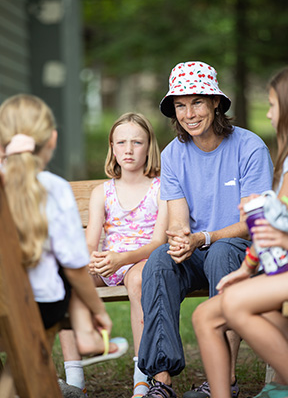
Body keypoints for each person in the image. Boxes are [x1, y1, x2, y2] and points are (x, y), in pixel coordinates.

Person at [137, 61, 274, 398]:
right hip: (199, 252)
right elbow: (179, 220)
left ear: (216, 102)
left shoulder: (249, 146)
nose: (189, 113)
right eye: (180, 105)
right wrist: (183, 239)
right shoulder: (172, 156)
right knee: (158, 261)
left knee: (222, 253)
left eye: (197, 101)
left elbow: (254, 222)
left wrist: (206, 237)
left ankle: (223, 381)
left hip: (243, 253)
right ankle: (161, 382)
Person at [0, 94, 128, 395]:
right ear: (52, 139)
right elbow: (75, 267)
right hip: (38, 308)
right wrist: (100, 313)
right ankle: (87, 337)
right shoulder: (53, 188)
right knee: (61, 270)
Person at [190, 62, 288, 398]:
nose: (269, 114)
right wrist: (248, 266)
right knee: (204, 316)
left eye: (272, 104)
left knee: (236, 303)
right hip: (284, 268)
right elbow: (279, 223)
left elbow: (278, 229)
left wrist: (275, 231)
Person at [59, 112, 168, 398]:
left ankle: (142, 378)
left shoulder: (161, 187)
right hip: (109, 262)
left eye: (137, 142)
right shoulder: (102, 192)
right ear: (112, 147)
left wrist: (122, 259)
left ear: (149, 146)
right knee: (65, 280)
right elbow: (90, 240)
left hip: (143, 261)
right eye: (121, 142)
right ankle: (74, 380)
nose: (128, 149)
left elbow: (158, 241)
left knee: (138, 281)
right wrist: (92, 259)